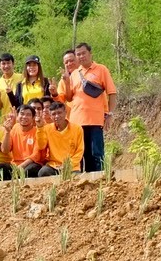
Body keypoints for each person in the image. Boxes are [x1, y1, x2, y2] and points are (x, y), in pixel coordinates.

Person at [71, 41, 117, 173]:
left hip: (95, 120)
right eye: (78, 54)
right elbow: (69, 97)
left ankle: (99, 180)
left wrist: (110, 114)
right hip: (77, 122)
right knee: (79, 155)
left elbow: (112, 93)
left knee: (96, 154)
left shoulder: (101, 69)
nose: (81, 56)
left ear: (90, 53)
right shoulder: (74, 74)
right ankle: (81, 182)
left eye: (83, 53)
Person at [36, 101, 83, 176]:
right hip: (54, 166)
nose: (57, 116)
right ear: (50, 116)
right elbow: (41, 146)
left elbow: (79, 151)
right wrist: (40, 128)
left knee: (75, 178)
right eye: (53, 114)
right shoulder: (47, 128)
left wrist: (68, 165)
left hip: (72, 167)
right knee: (43, 172)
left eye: (59, 113)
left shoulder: (77, 129)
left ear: (65, 113)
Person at [8, 106, 45, 178]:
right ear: (17, 115)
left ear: (33, 118)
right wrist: (7, 132)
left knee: (27, 171)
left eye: (28, 115)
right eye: (22, 114)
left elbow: (36, 155)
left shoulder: (37, 131)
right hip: (15, 164)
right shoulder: (15, 127)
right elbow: (6, 149)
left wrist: (22, 166)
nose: (24, 117)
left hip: (32, 163)